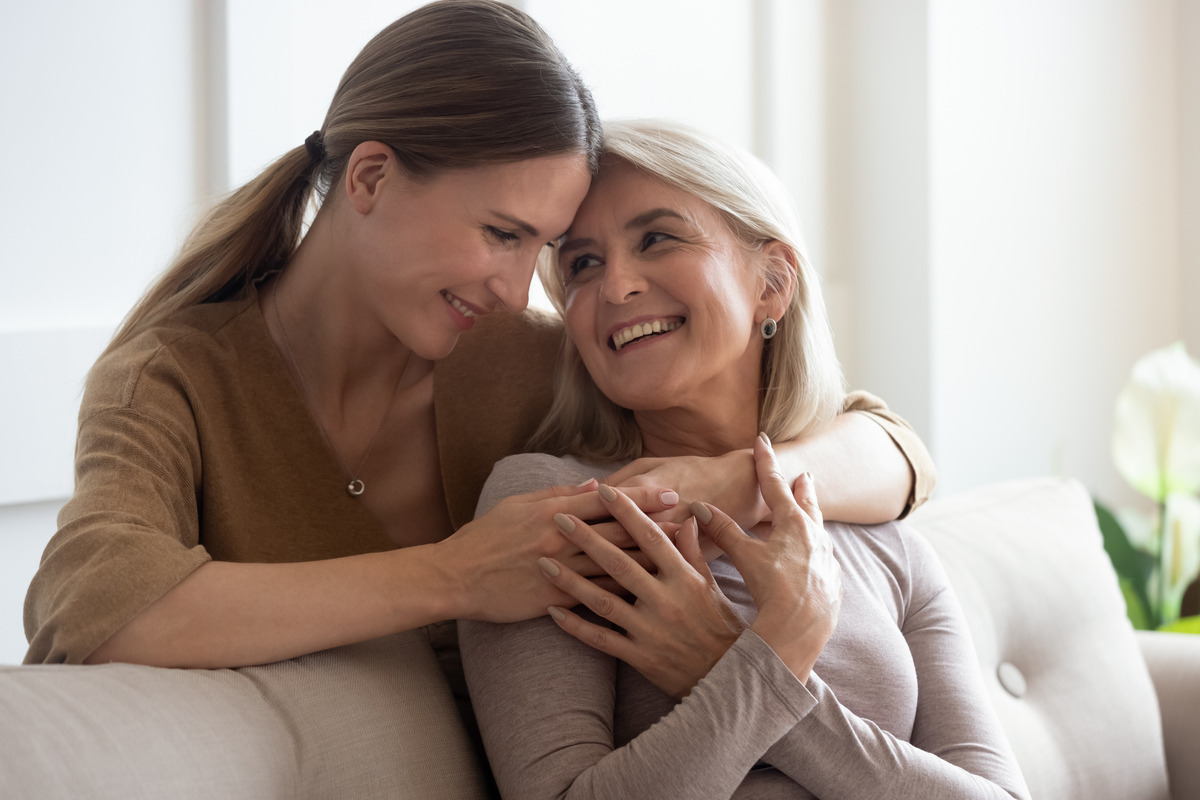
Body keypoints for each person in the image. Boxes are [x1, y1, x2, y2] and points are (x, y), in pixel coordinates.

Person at [24, 1, 932, 670]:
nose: (513, 292)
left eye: (541, 250)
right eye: (501, 234)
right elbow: (91, 615)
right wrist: (454, 576)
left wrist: (725, 480)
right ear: (370, 179)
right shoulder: (170, 379)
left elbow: (892, 450)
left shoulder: (524, 359)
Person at [459, 120, 1029, 799]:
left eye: (657, 238)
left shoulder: (880, 534)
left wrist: (732, 663)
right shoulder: (559, 505)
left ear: (772, 282)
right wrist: (774, 654)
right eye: (582, 263)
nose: (615, 287)